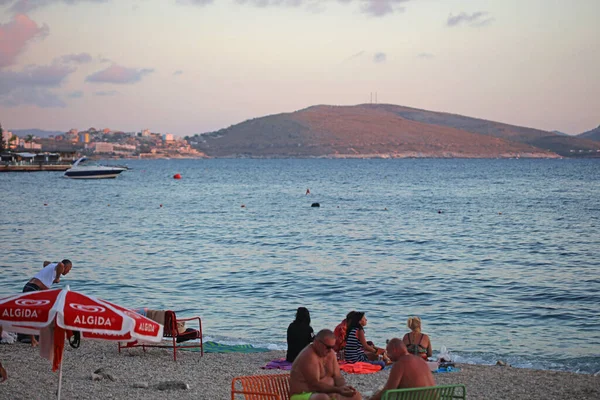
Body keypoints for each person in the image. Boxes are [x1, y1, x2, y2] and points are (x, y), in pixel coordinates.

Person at [290, 329, 362, 400]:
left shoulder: (331, 354)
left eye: (332, 347)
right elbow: (314, 385)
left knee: (356, 396)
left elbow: (338, 377)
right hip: (303, 394)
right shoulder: (309, 356)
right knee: (323, 398)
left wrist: (344, 387)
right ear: (317, 343)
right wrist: (338, 390)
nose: (330, 350)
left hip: (327, 392)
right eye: (328, 347)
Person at [18, 259, 73, 345]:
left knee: (31, 313)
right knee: (34, 314)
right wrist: (57, 277)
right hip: (33, 289)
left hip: (28, 287)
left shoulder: (52, 266)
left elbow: (45, 262)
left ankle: (25, 336)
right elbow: (61, 264)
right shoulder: (59, 267)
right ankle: (32, 339)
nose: (68, 271)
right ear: (66, 267)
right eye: (69, 269)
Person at [368, 338, 435, 400]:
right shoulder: (421, 361)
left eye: (388, 352)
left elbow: (388, 390)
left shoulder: (400, 364)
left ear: (394, 350)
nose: (388, 356)